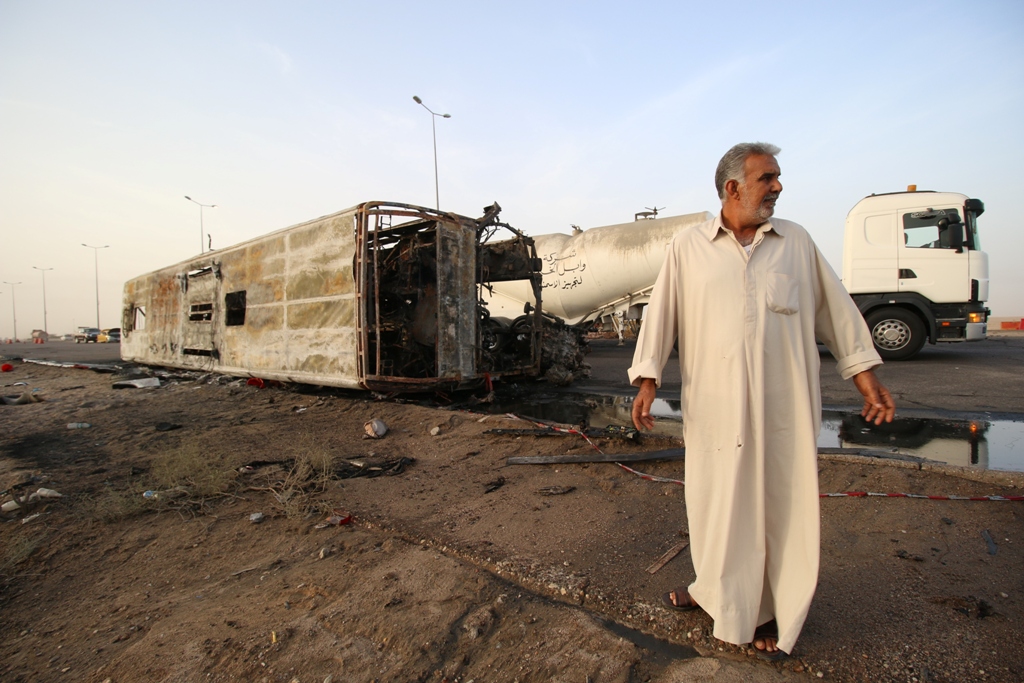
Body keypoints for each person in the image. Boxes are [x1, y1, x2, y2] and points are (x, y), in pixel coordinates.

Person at [628, 142, 895, 659]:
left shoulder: (795, 242)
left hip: (784, 410)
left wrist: (865, 375)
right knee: (714, 504)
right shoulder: (689, 246)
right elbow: (661, 315)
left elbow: (836, 313)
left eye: (777, 178)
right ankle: (718, 594)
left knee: (779, 507)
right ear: (733, 187)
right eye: (767, 178)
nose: (777, 186)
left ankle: (769, 609)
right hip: (714, 406)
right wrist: (647, 381)